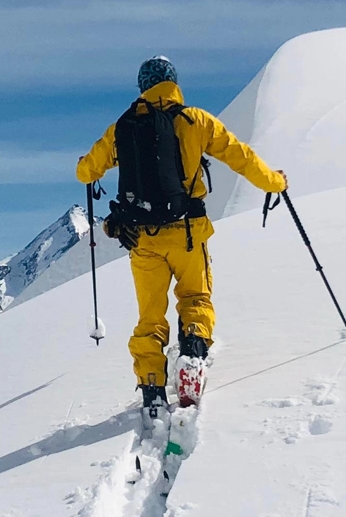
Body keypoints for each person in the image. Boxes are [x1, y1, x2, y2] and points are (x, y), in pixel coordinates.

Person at [76, 55, 288, 416]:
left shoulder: (123, 129)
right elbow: (241, 157)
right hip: (188, 234)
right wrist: (275, 181)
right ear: (173, 82)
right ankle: (192, 354)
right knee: (195, 298)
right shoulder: (195, 120)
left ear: (143, 86)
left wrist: (98, 160)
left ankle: (152, 387)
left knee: (150, 318)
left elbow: (85, 172)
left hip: (142, 241)